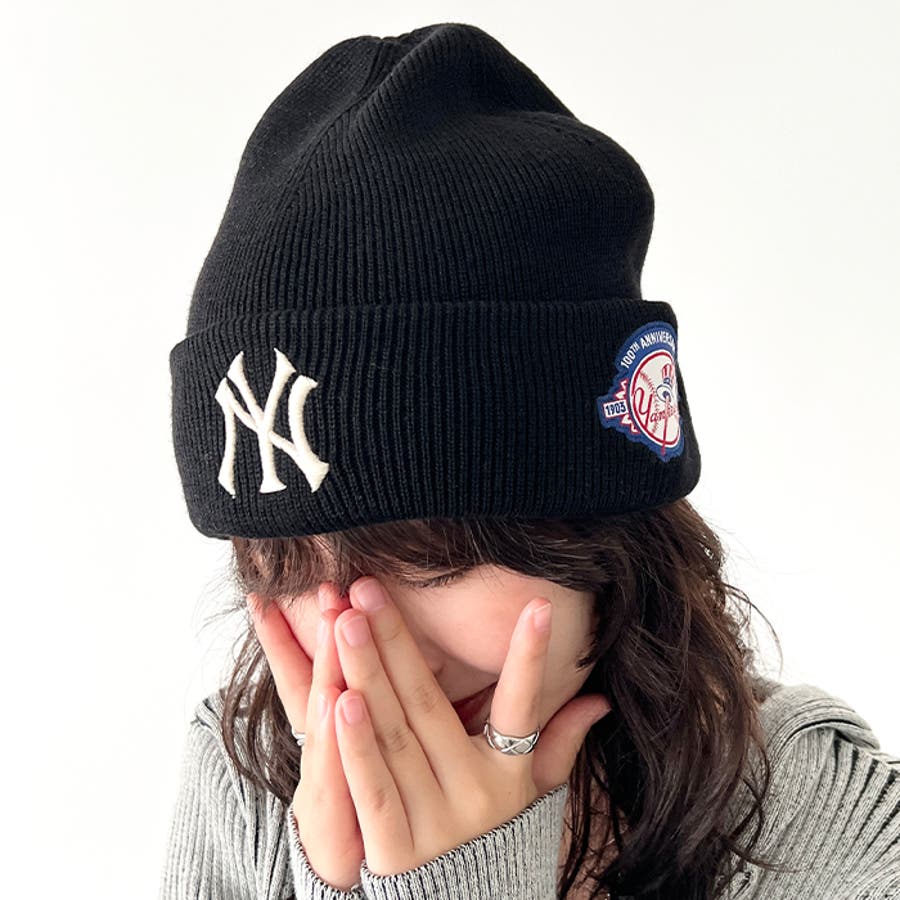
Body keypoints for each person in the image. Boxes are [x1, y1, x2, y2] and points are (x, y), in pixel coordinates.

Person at [160, 21, 900, 900]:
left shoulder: (826, 820)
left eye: (435, 556)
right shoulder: (244, 774)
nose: (357, 645)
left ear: (606, 533)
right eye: (284, 562)